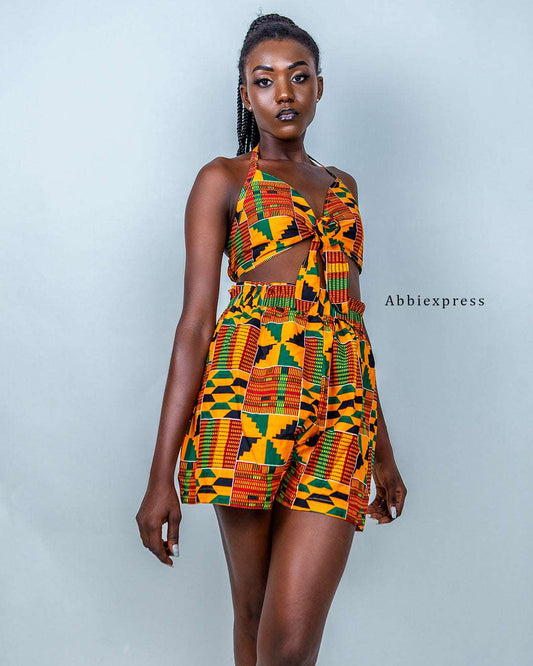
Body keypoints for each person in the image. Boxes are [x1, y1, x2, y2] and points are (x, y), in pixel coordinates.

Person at [136, 12, 407, 665]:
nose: (283, 92)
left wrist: (383, 450)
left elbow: (349, 322)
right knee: (253, 614)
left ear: (319, 87)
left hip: (340, 418)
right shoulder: (224, 180)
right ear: (245, 94)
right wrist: (159, 477)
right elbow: (195, 326)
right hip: (244, 408)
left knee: (287, 644)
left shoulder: (344, 189)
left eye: (298, 76)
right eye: (264, 80)